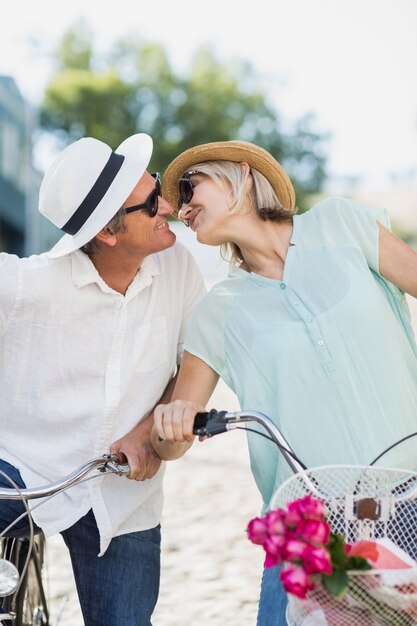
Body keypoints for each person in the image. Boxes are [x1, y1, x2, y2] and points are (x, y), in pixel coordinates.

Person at [149, 140, 417, 625]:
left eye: (191, 186)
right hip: (309, 530)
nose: (182, 207)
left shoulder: (342, 224)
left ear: (243, 176)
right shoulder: (219, 310)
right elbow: (170, 443)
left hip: (412, 495)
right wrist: (170, 425)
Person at [0, 133, 206, 626]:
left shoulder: (178, 266)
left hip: (121, 491)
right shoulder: (29, 284)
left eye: (156, 186)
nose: (167, 205)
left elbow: (196, 362)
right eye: (151, 202)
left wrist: (147, 433)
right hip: (23, 472)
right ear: (108, 233)